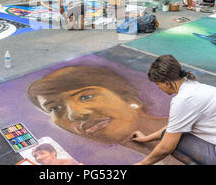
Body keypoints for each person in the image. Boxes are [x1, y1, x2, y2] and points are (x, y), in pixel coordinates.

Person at [27, 66, 185, 165]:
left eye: (86, 97)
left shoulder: (192, 129)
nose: (75, 114)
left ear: (130, 99)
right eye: (55, 108)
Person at [132, 55, 216, 165]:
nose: (158, 87)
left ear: (166, 83)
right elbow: (174, 127)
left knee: (172, 143)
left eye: (157, 84)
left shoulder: (184, 100)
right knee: (174, 135)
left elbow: (166, 146)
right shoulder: (195, 88)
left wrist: (141, 164)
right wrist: (146, 138)